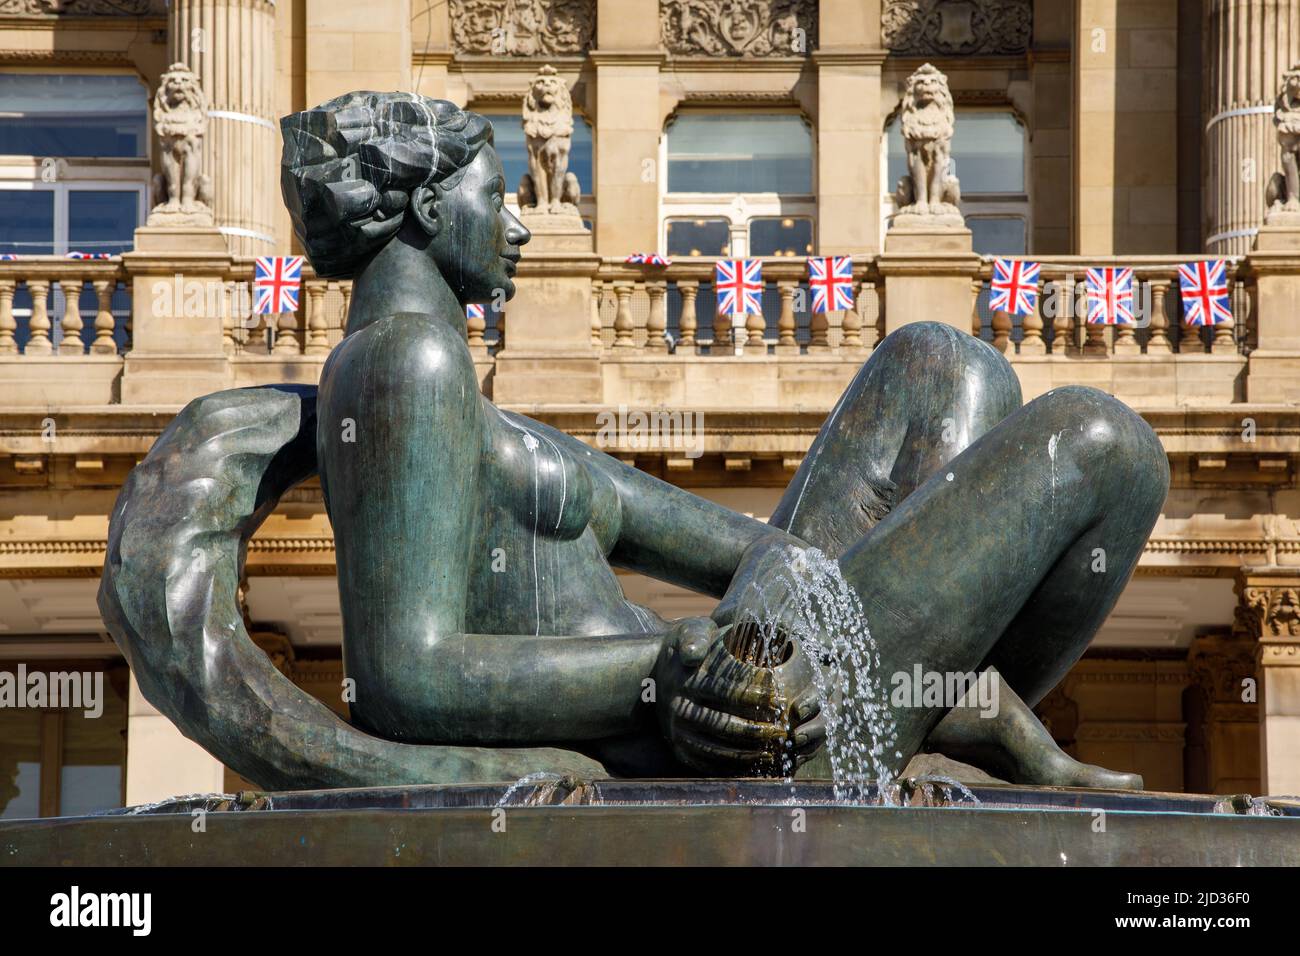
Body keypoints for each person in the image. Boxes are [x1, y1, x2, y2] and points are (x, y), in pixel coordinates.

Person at [101, 93, 1167, 791]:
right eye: (496, 194)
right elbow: (405, 678)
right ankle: (923, 720)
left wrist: (873, 637)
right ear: (427, 205)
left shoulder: (465, 400)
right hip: (723, 735)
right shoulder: (399, 366)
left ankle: (927, 712)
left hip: (743, 683)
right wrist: (667, 667)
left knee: (945, 363)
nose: (524, 222)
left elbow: (749, 551)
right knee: (1098, 440)